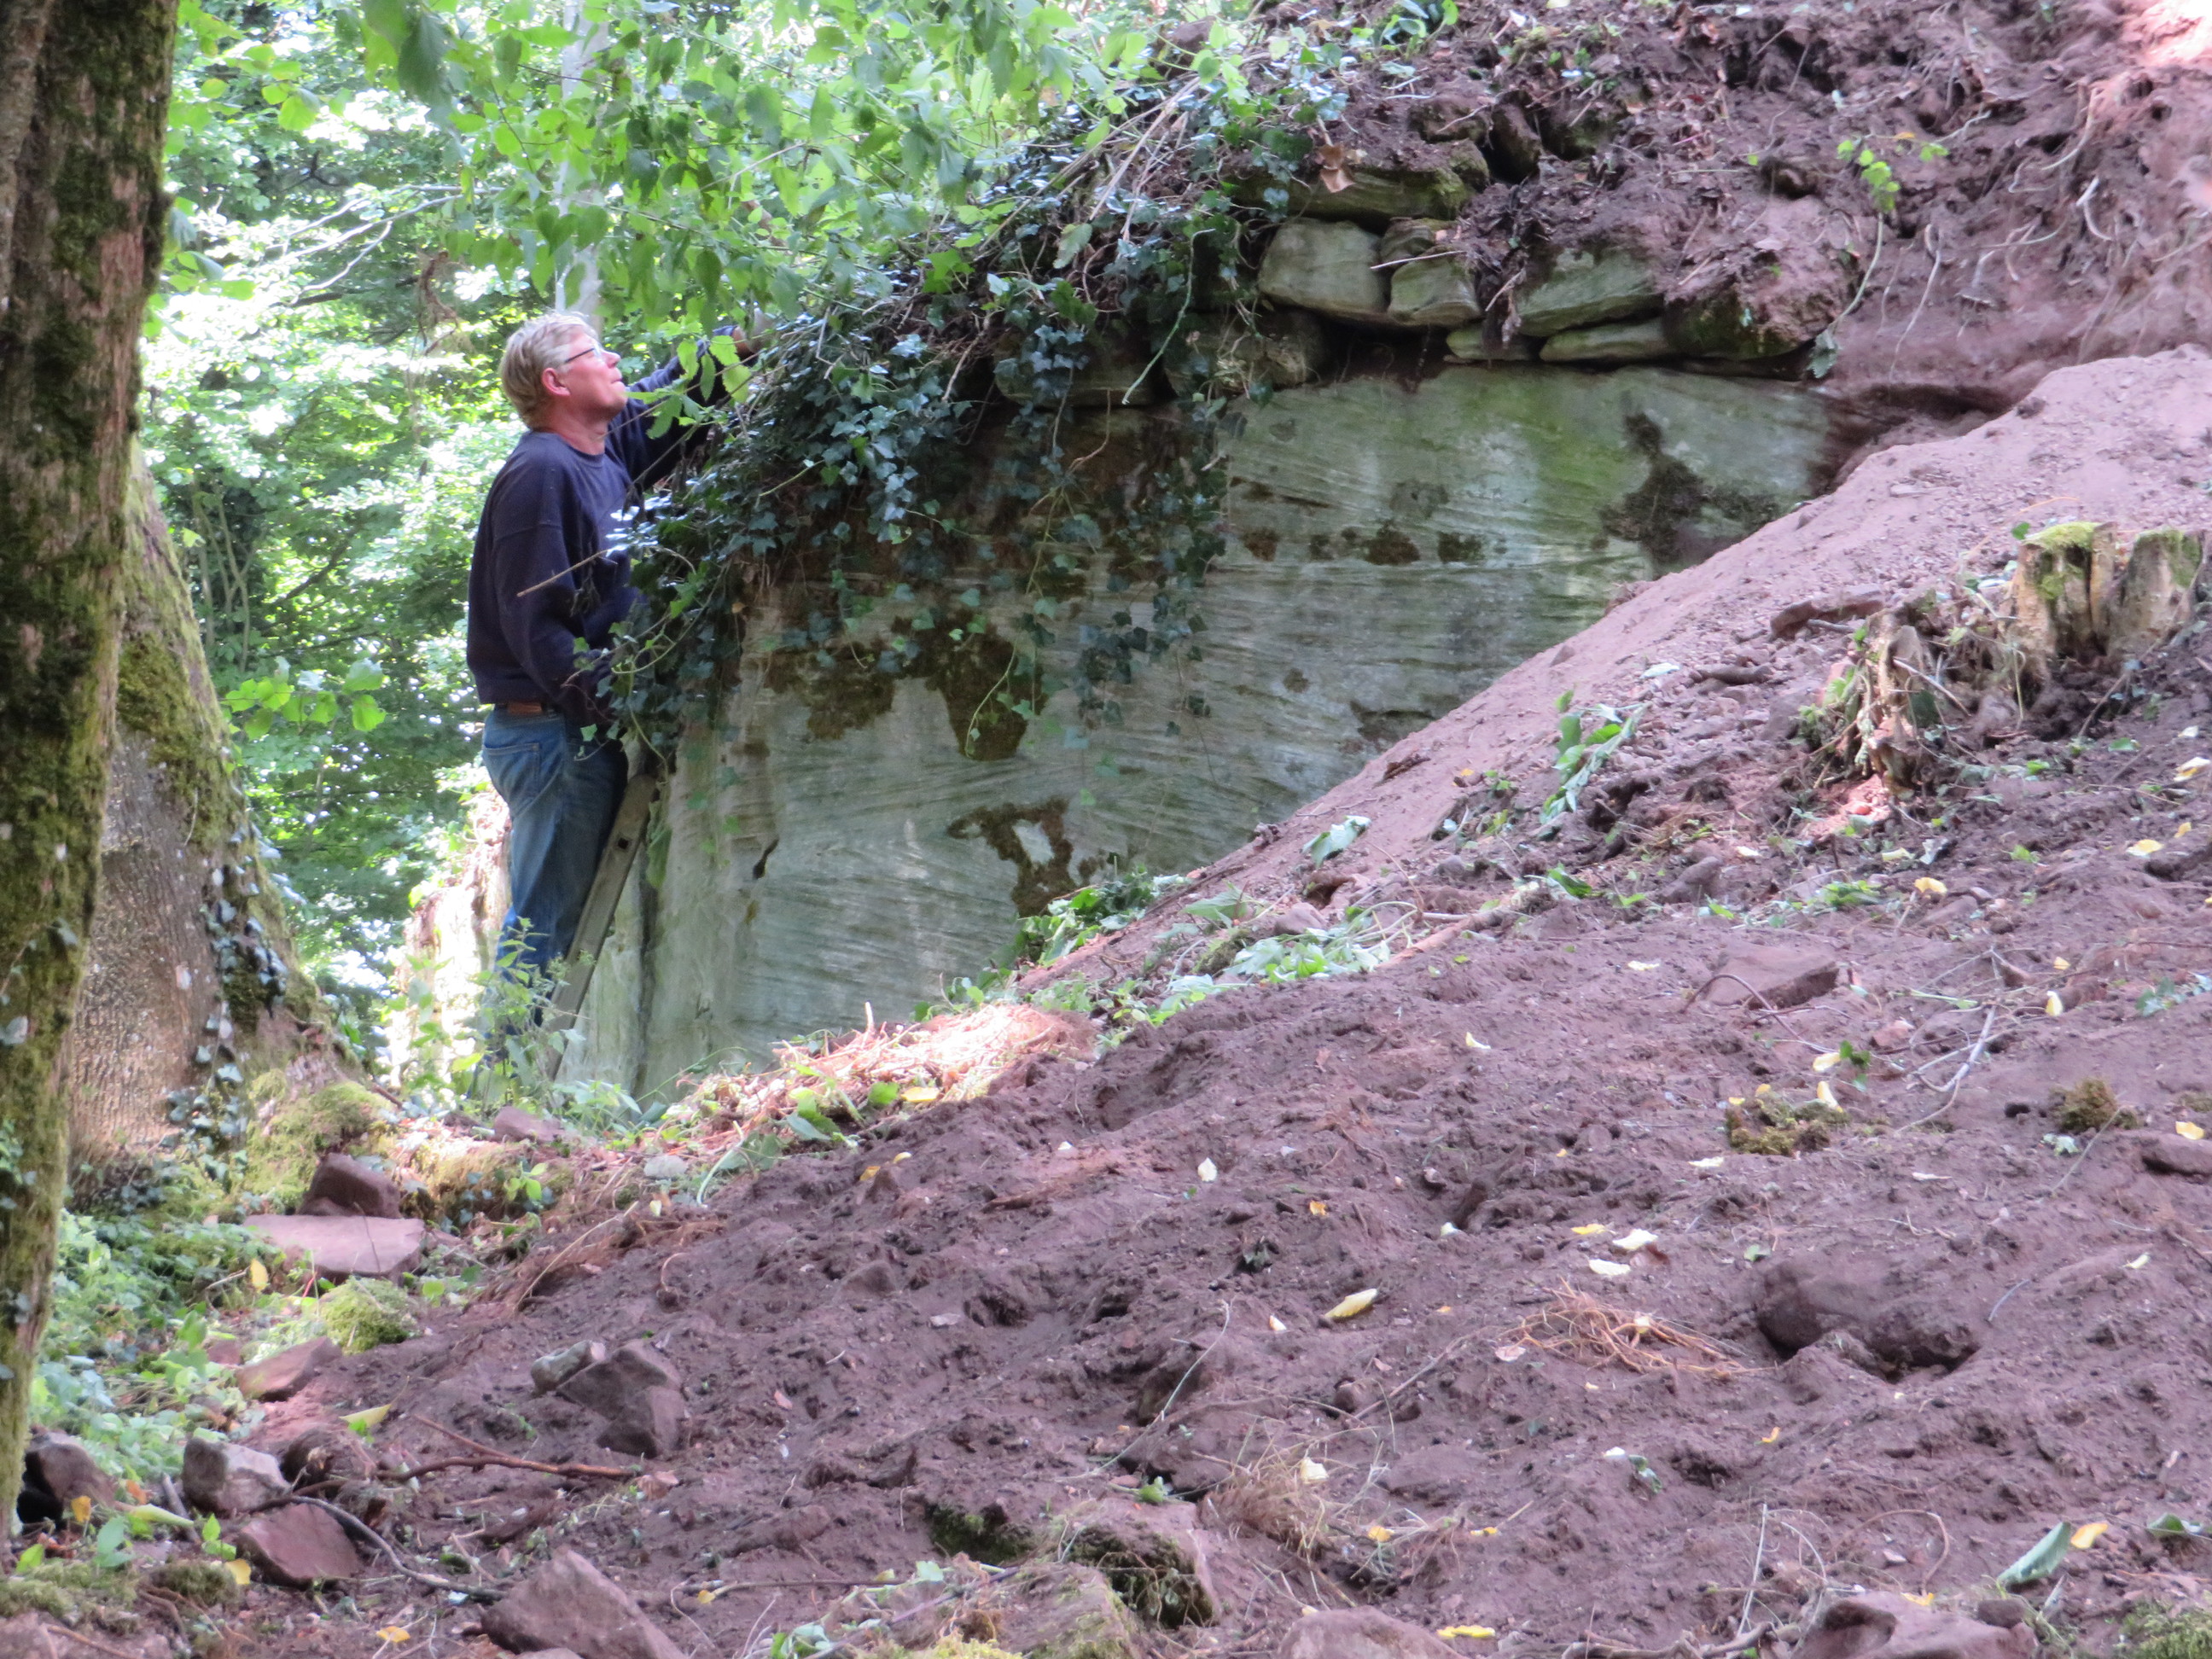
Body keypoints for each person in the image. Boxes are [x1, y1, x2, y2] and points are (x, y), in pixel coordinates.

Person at [467, 311, 744, 986]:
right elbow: (536, 628)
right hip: (549, 738)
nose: (615, 359)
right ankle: (509, 1058)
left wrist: (725, 347)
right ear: (557, 382)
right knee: (542, 934)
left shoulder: (596, 451)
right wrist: (619, 703)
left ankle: (523, 1054)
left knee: (554, 930)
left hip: (565, 732)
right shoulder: (541, 473)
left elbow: (654, 405)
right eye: (596, 352)